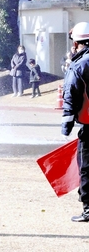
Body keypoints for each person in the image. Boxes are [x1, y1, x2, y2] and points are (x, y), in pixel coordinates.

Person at [62, 21, 89, 222]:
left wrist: (67, 125)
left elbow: (71, 94)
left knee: (86, 167)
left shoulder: (79, 64)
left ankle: (88, 210)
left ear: (77, 43)